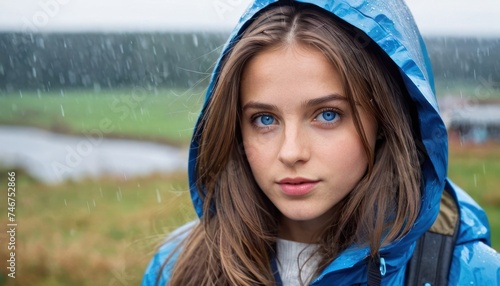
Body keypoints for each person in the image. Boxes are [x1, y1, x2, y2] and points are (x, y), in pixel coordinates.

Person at [142, 0, 500, 285]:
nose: (292, 152)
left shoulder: (468, 273)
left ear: (386, 121)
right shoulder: (175, 269)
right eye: (265, 119)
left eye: (327, 115)